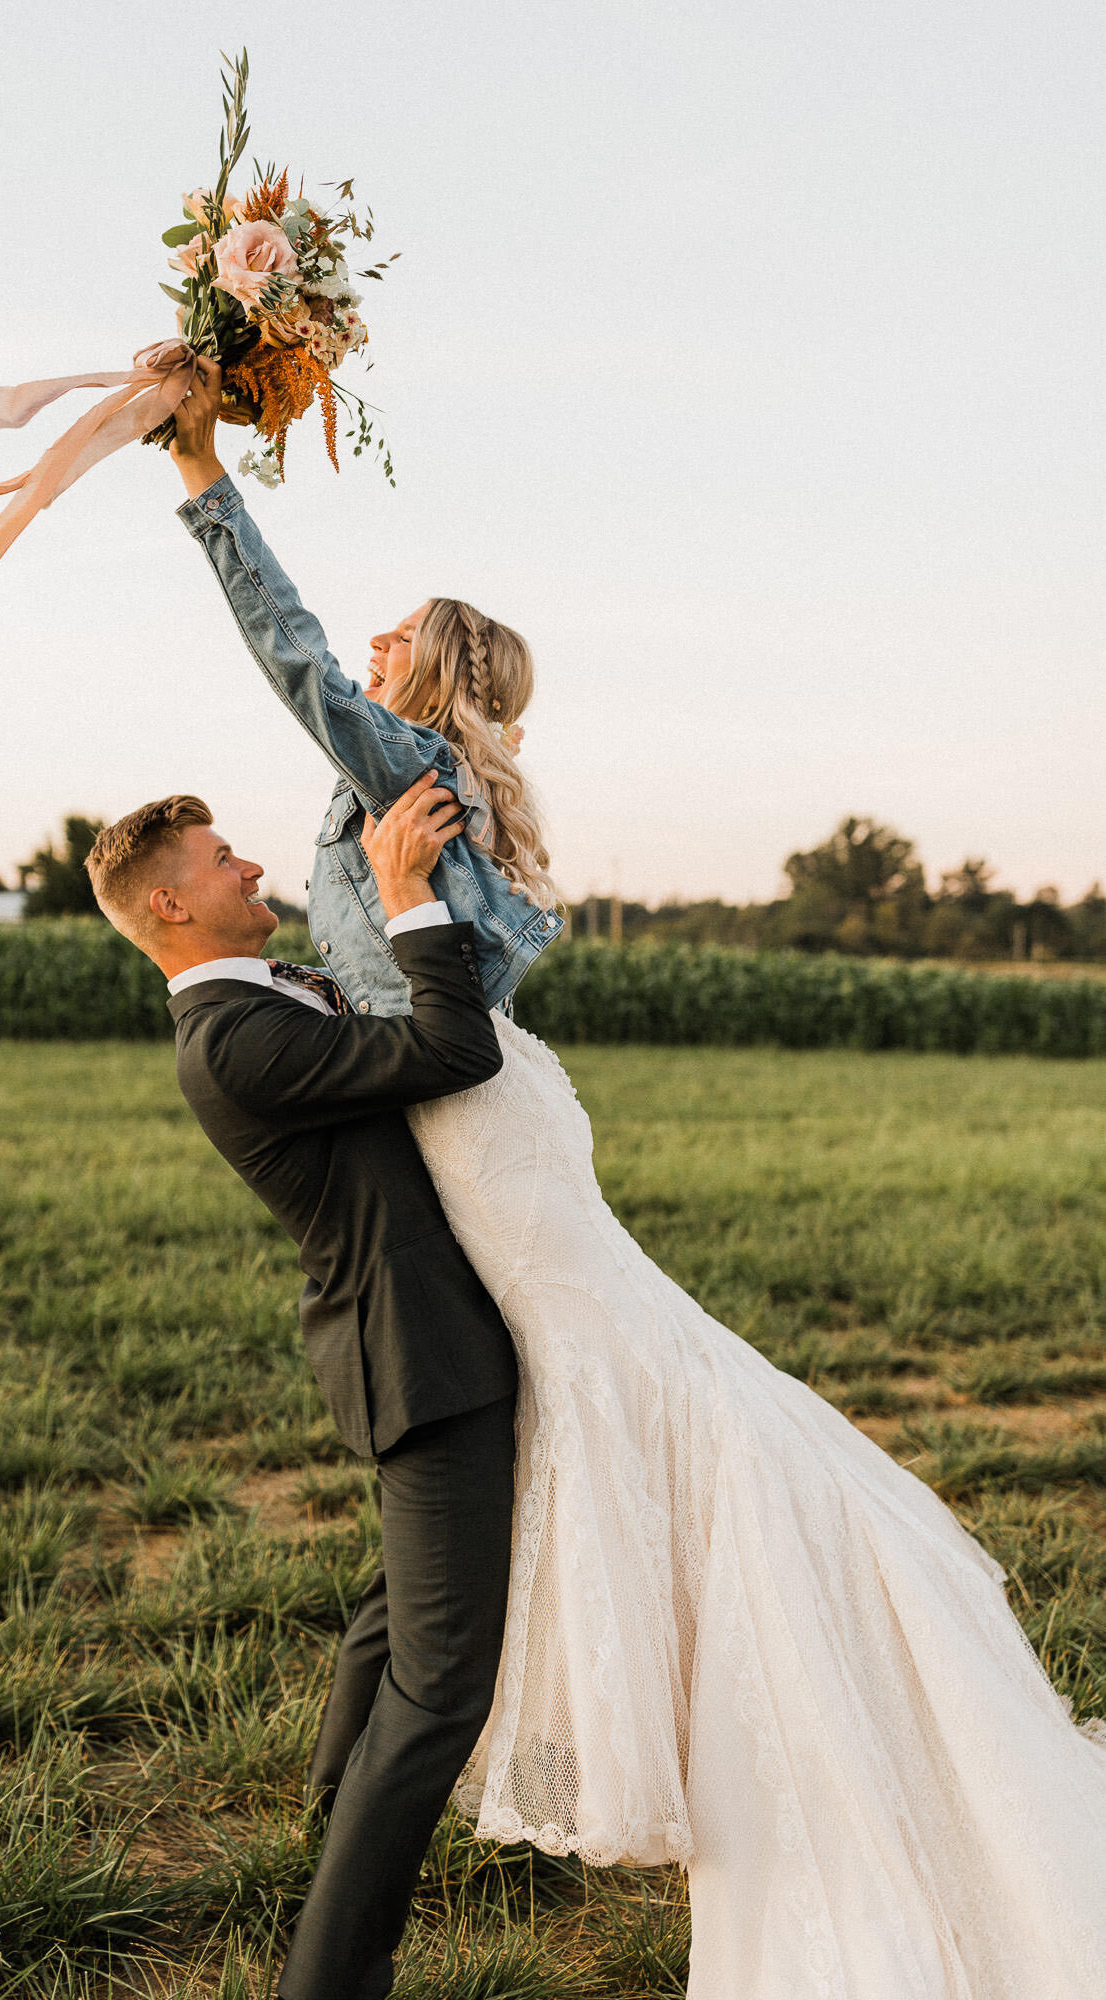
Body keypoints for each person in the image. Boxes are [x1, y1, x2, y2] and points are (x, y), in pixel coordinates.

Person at [155, 361, 1106, 1999]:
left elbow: (287, 652)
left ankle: (758, 1680)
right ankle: (408, 1761)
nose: (363, 647)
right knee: (623, 1381)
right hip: (502, 1117)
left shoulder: (397, 767)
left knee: (615, 1383)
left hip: (483, 1125)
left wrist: (200, 486)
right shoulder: (417, 797)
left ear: (419, 667)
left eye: (391, 638)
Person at [84, 778, 520, 2000]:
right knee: (441, 1688)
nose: (251, 867)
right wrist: (404, 892)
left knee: (395, 1603)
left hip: (407, 1341)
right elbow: (449, 1048)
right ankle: (330, 1977)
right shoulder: (234, 1034)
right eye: (226, 859)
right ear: (170, 901)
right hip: (420, 1356)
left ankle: (327, 1802)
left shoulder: (258, 999)